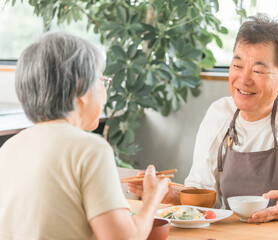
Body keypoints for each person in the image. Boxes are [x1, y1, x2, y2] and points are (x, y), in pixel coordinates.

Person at [129, 13, 278, 223]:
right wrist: (171, 193)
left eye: (258, 71)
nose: (243, 80)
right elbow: (205, 195)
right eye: (237, 65)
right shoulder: (219, 115)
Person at [0, 32, 169, 239]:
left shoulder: (9, 148)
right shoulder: (91, 149)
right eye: (102, 81)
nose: (105, 91)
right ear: (81, 87)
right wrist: (153, 198)